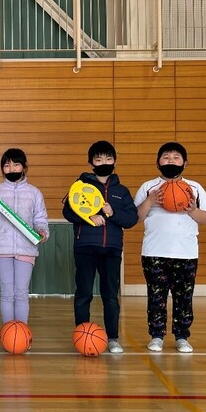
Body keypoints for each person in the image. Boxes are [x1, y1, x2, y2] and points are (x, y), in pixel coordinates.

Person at [134, 142, 206, 353]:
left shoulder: (195, 188)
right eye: (166, 157)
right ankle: (157, 336)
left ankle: (182, 337)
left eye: (176, 157)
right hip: (154, 253)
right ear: (157, 163)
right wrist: (149, 202)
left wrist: (192, 210)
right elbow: (136, 217)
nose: (171, 160)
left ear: (185, 163)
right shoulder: (148, 187)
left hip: (186, 253)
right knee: (156, 297)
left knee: (184, 297)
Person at [62, 141, 139, 354]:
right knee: (84, 293)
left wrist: (112, 213)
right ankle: (81, 335)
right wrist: (89, 217)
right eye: (98, 159)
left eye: (108, 159)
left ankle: (113, 338)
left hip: (112, 250)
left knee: (110, 296)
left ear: (115, 161)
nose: (103, 163)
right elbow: (68, 212)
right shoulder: (80, 186)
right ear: (90, 162)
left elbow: (132, 219)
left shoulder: (121, 191)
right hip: (85, 247)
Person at [0, 148, 49, 325]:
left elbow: (40, 219)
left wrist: (42, 232)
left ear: (24, 167)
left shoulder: (35, 193)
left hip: (26, 249)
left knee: (21, 293)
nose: (11, 169)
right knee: (7, 293)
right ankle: (8, 334)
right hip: (0, 249)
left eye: (16, 164)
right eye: (7, 165)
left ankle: (21, 334)